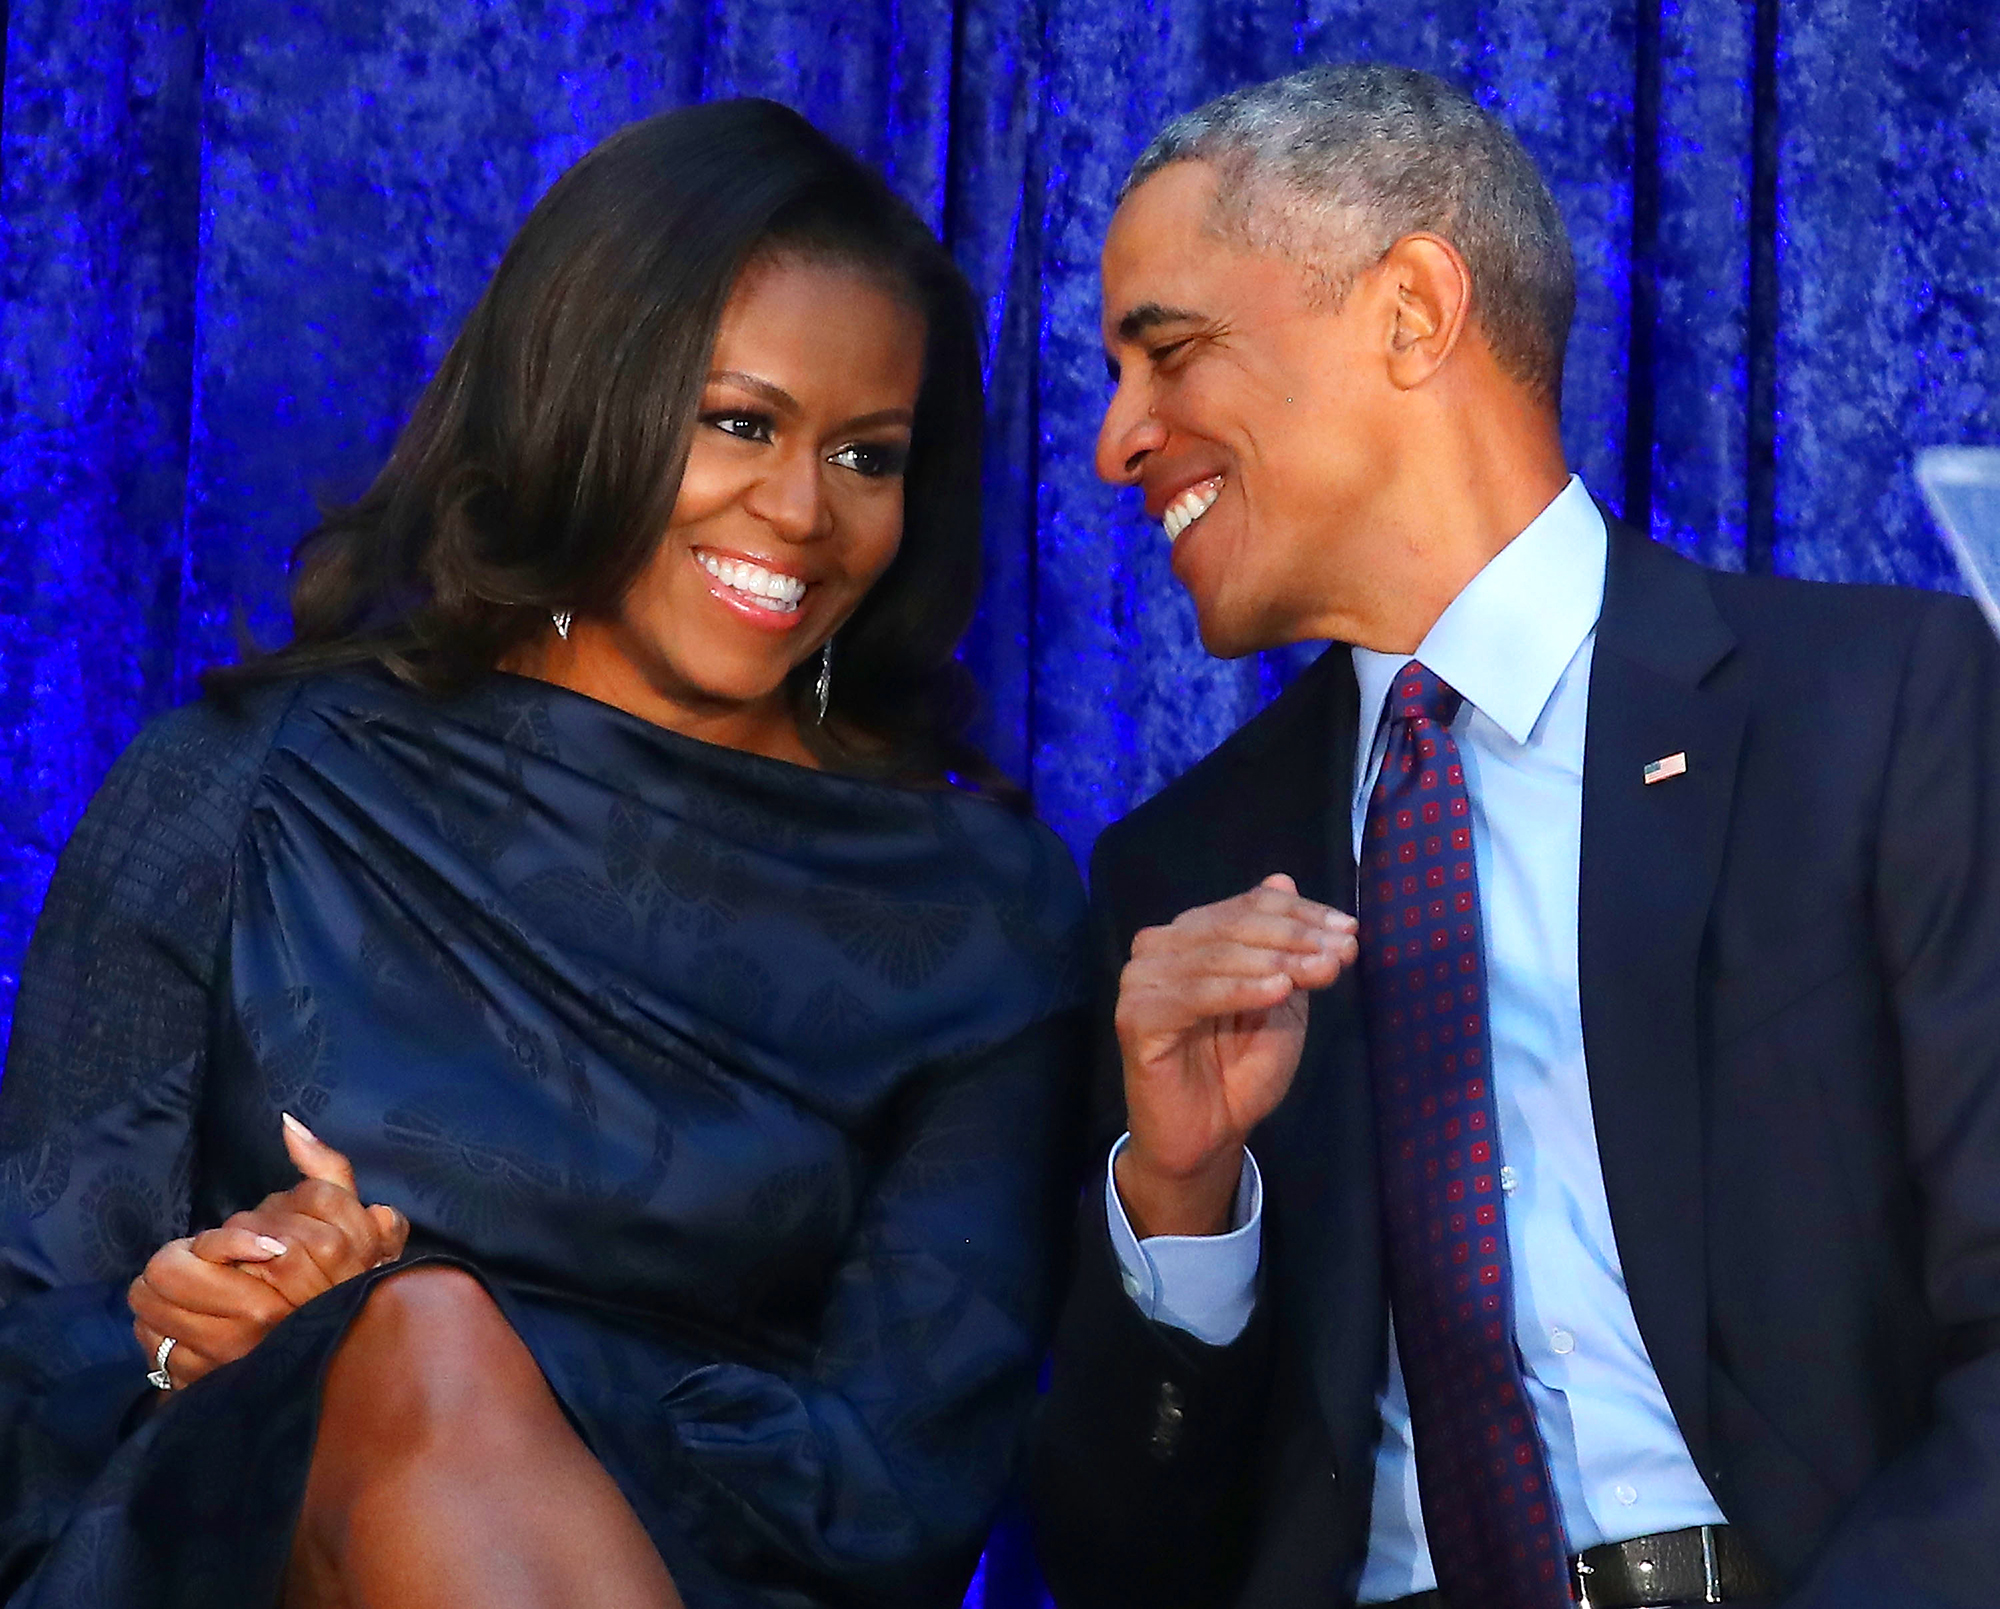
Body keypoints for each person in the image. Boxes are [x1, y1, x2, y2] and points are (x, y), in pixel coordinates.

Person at [0, 98, 1090, 1609]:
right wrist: (212, 1324)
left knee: (424, 1336)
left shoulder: (984, 915)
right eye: (740, 421)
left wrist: (400, 1316)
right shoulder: (246, 784)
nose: (799, 509)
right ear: (589, 395)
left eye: (868, 453)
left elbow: (903, 1490)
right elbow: (33, 1350)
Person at [1029, 63, 2000, 1609]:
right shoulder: (1180, 876)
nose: (1114, 441)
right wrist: (1181, 1201)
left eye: (1171, 353)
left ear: (1412, 310)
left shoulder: (1877, 714)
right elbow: (1120, 1562)